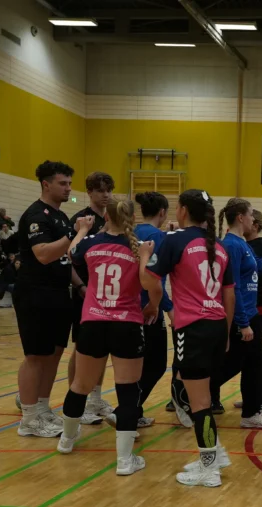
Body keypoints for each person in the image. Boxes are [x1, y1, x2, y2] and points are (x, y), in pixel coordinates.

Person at [56, 198, 159, 475]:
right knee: (128, 391)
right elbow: (152, 285)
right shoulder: (140, 248)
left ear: (106, 217)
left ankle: (66, 440)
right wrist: (153, 305)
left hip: (93, 323)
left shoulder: (91, 243)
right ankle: (125, 460)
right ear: (133, 218)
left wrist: (82, 229)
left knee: (80, 385)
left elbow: (71, 252)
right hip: (126, 325)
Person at [142, 189, 235, 487]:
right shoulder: (219, 246)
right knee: (196, 394)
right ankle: (215, 453)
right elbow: (229, 294)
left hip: (192, 328)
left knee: (199, 402)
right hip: (216, 326)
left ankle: (209, 467)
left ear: (182, 210)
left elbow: (150, 281)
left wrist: (144, 261)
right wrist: (226, 332)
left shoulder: (175, 240)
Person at [14, 160, 85, 438]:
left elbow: (65, 260)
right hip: (35, 293)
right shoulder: (36, 215)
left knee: (53, 354)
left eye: (69, 183)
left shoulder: (61, 217)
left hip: (59, 294)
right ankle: (29, 418)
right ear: (46, 184)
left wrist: (80, 286)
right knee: (35, 356)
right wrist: (75, 233)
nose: (68, 188)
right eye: (62, 183)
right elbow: (43, 254)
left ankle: (43, 409)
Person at [106, 191, 174, 430]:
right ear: (162, 212)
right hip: (148, 309)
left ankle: (133, 412)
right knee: (156, 365)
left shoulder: (130, 232)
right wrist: (168, 308)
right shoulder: (157, 237)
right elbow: (155, 279)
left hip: (124, 306)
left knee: (136, 367)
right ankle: (125, 412)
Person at [210, 198, 262, 429]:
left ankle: (251, 413)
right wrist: (242, 322)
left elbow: (260, 269)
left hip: (252, 314)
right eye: (250, 215)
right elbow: (233, 287)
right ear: (240, 217)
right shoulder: (231, 245)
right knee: (233, 363)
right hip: (244, 317)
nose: (253, 219)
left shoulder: (243, 243)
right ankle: (191, 392)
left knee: (253, 366)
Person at [68, 172, 115, 425]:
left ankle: (95, 398)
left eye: (108, 190)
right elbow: (69, 257)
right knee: (81, 349)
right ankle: (77, 399)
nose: (105, 195)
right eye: (100, 190)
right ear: (89, 192)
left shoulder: (110, 219)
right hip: (85, 294)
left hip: (105, 296)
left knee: (101, 348)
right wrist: (81, 287)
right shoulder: (81, 220)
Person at [232, 209, 262, 417]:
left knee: (250, 356)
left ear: (255, 225)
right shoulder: (242, 245)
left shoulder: (259, 246)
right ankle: (254, 398)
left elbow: (261, 271)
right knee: (249, 356)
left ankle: (260, 399)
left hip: (258, 307)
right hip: (250, 308)